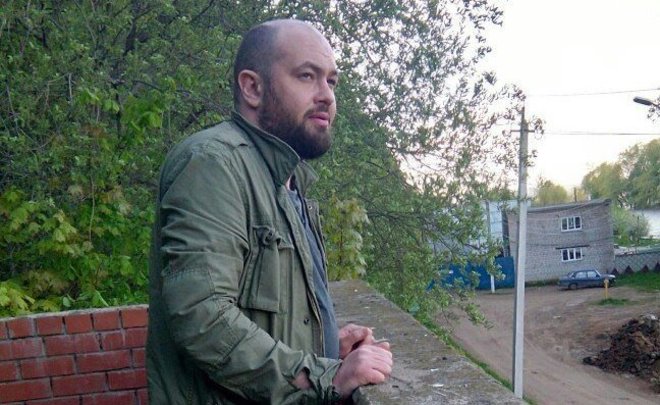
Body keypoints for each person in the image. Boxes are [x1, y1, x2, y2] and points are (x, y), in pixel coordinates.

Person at [146, 19, 393, 404]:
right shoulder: (213, 163)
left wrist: (325, 345)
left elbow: (266, 309)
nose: (326, 95)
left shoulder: (283, 179)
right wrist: (323, 375)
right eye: (307, 76)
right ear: (252, 87)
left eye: (331, 81)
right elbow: (202, 316)